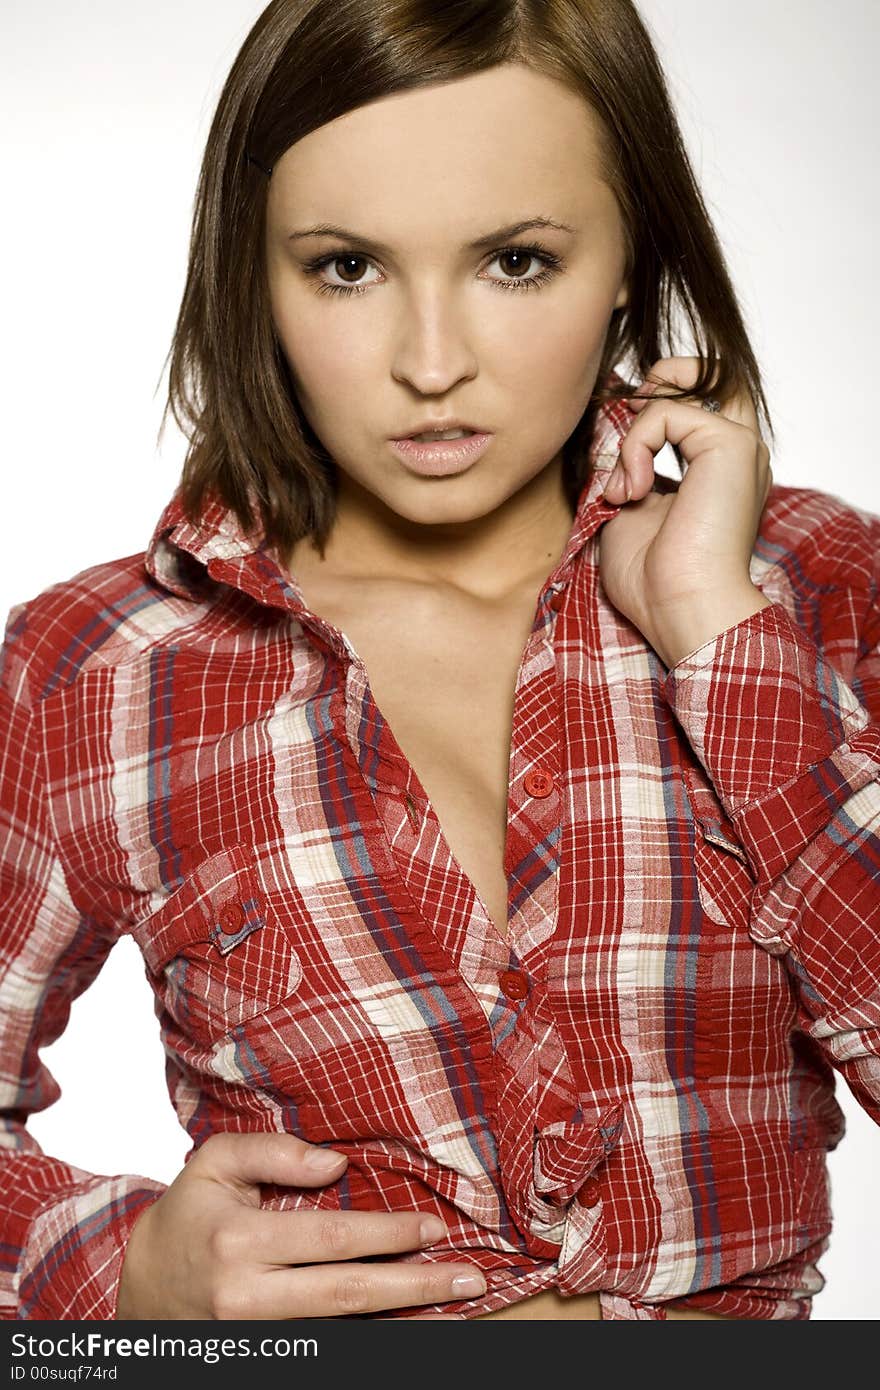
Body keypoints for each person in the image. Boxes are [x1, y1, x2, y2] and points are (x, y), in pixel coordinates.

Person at [1, 0, 878, 1323]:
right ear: (255, 272)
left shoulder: (808, 586)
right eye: (346, 267)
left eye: (516, 262)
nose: (432, 364)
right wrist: (119, 1267)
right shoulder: (100, 670)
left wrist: (713, 630)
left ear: (633, 255)